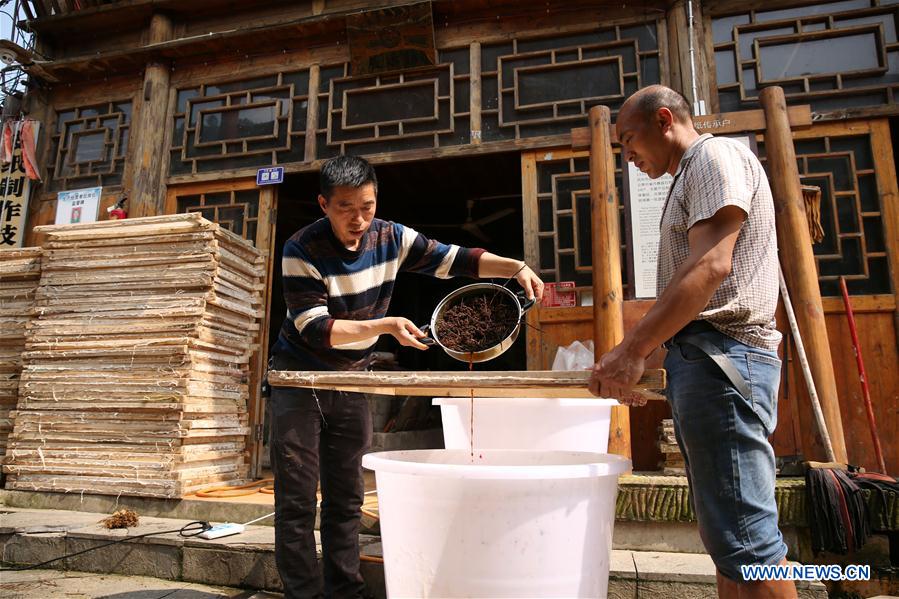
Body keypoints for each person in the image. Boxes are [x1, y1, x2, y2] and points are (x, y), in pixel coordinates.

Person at [268, 154, 544, 598]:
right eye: (345, 209)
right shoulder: (301, 248)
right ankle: (304, 594)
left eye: (367, 206)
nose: (359, 219)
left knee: (347, 498)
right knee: (297, 501)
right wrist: (384, 326)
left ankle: (347, 592)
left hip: (354, 381)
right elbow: (314, 328)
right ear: (323, 204)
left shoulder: (391, 237)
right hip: (301, 381)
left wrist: (513, 266)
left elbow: (455, 259)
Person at [589, 85, 798, 599]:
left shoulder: (714, 156)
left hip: (725, 364)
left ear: (664, 120)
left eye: (629, 140)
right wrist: (653, 368)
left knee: (749, 547)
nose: (628, 156)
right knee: (730, 542)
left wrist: (630, 350)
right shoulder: (691, 174)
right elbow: (693, 301)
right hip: (708, 361)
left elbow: (711, 267)